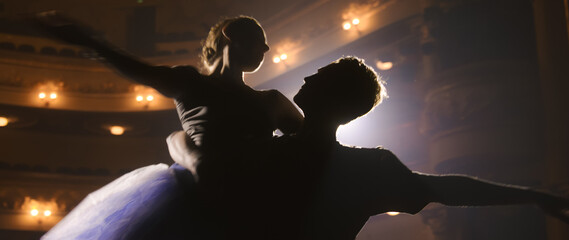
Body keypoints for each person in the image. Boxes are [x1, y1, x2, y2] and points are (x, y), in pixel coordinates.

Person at [170, 57, 569, 240]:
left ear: (334, 97)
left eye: (321, 74)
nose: (308, 74)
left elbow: (449, 188)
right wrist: (533, 197)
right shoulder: (367, 170)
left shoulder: (268, 149)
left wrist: (192, 154)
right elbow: (444, 188)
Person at [35, 12, 302, 240]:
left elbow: (315, 138)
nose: (266, 49)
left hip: (256, 199)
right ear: (230, 33)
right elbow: (134, 68)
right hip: (203, 195)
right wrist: (89, 42)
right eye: (259, 39)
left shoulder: (273, 100)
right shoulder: (190, 82)